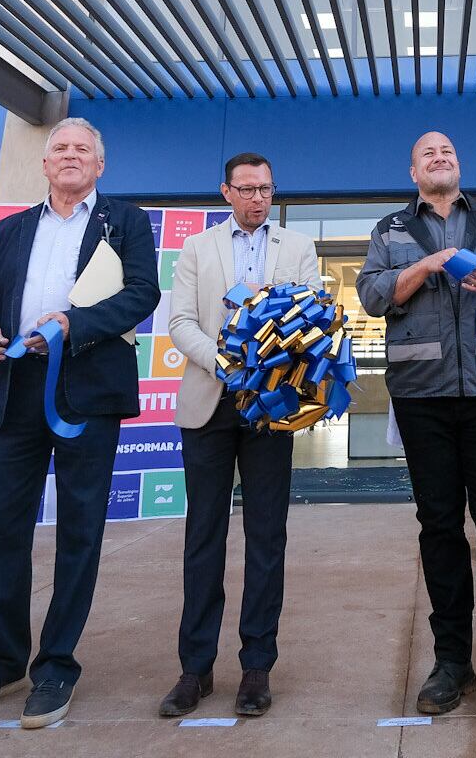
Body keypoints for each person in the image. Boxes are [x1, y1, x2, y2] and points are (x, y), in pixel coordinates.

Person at [0, 118, 158, 730]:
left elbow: (142, 293)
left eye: (81, 149)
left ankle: (56, 663)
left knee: (79, 532)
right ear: (44, 164)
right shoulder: (11, 229)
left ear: (100, 164)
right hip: (15, 387)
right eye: (59, 148)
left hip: (88, 388)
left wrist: (75, 326)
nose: (70, 156)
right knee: (3, 531)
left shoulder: (125, 219)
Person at [356, 131, 476, 733]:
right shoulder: (389, 229)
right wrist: (425, 265)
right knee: (439, 527)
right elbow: (370, 294)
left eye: (448, 153)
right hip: (422, 395)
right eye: (428, 155)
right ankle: (451, 663)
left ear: (457, 166)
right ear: (412, 170)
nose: (440, 159)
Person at [159, 152, 320, 719]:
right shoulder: (197, 248)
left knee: (265, 538)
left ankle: (257, 666)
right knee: (202, 537)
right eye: (247, 189)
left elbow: (311, 318)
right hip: (209, 401)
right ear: (225, 191)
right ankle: (194, 669)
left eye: (266, 189)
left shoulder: (297, 247)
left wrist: (263, 370)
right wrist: (225, 362)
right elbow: (179, 322)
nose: (258, 198)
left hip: (270, 408)